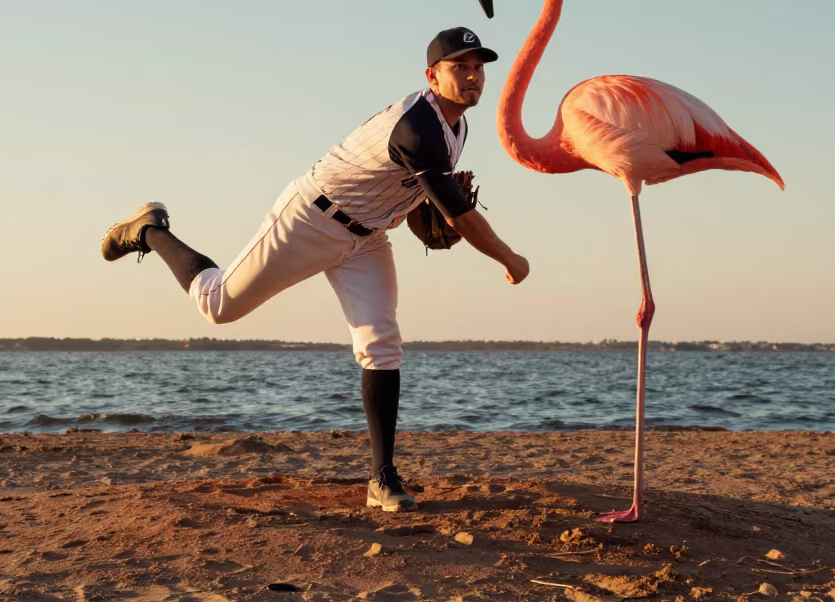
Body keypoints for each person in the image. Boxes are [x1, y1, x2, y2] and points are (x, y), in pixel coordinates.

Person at [100, 27, 530, 512]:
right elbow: (457, 214)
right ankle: (150, 229)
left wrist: (411, 209)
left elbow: (411, 190)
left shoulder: (458, 128)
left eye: (478, 68)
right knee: (217, 306)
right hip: (311, 218)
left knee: (382, 342)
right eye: (460, 67)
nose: (472, 76)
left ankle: (382, 477)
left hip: (366, 237)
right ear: (432, 76)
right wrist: (509, 260)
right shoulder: (418, 125)